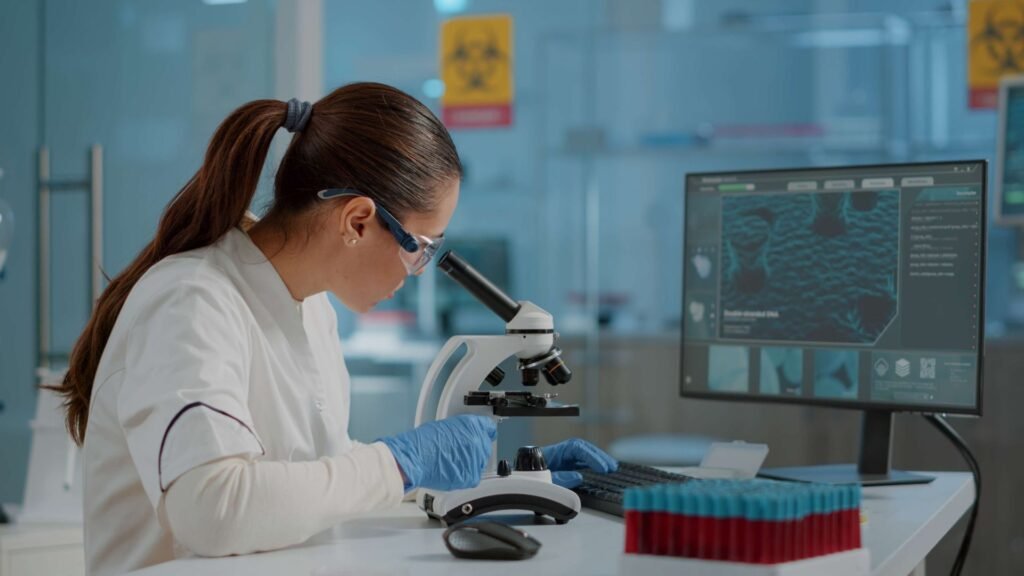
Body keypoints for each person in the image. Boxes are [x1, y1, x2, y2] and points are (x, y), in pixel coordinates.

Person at [49, 82, 617, 576]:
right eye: (419, 248)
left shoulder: (309, 306)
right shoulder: (191, 300)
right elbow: (213, 511)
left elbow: (313, 490)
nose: (418, 270)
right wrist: (398, 462)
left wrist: (500, 486)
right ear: (358, 220)